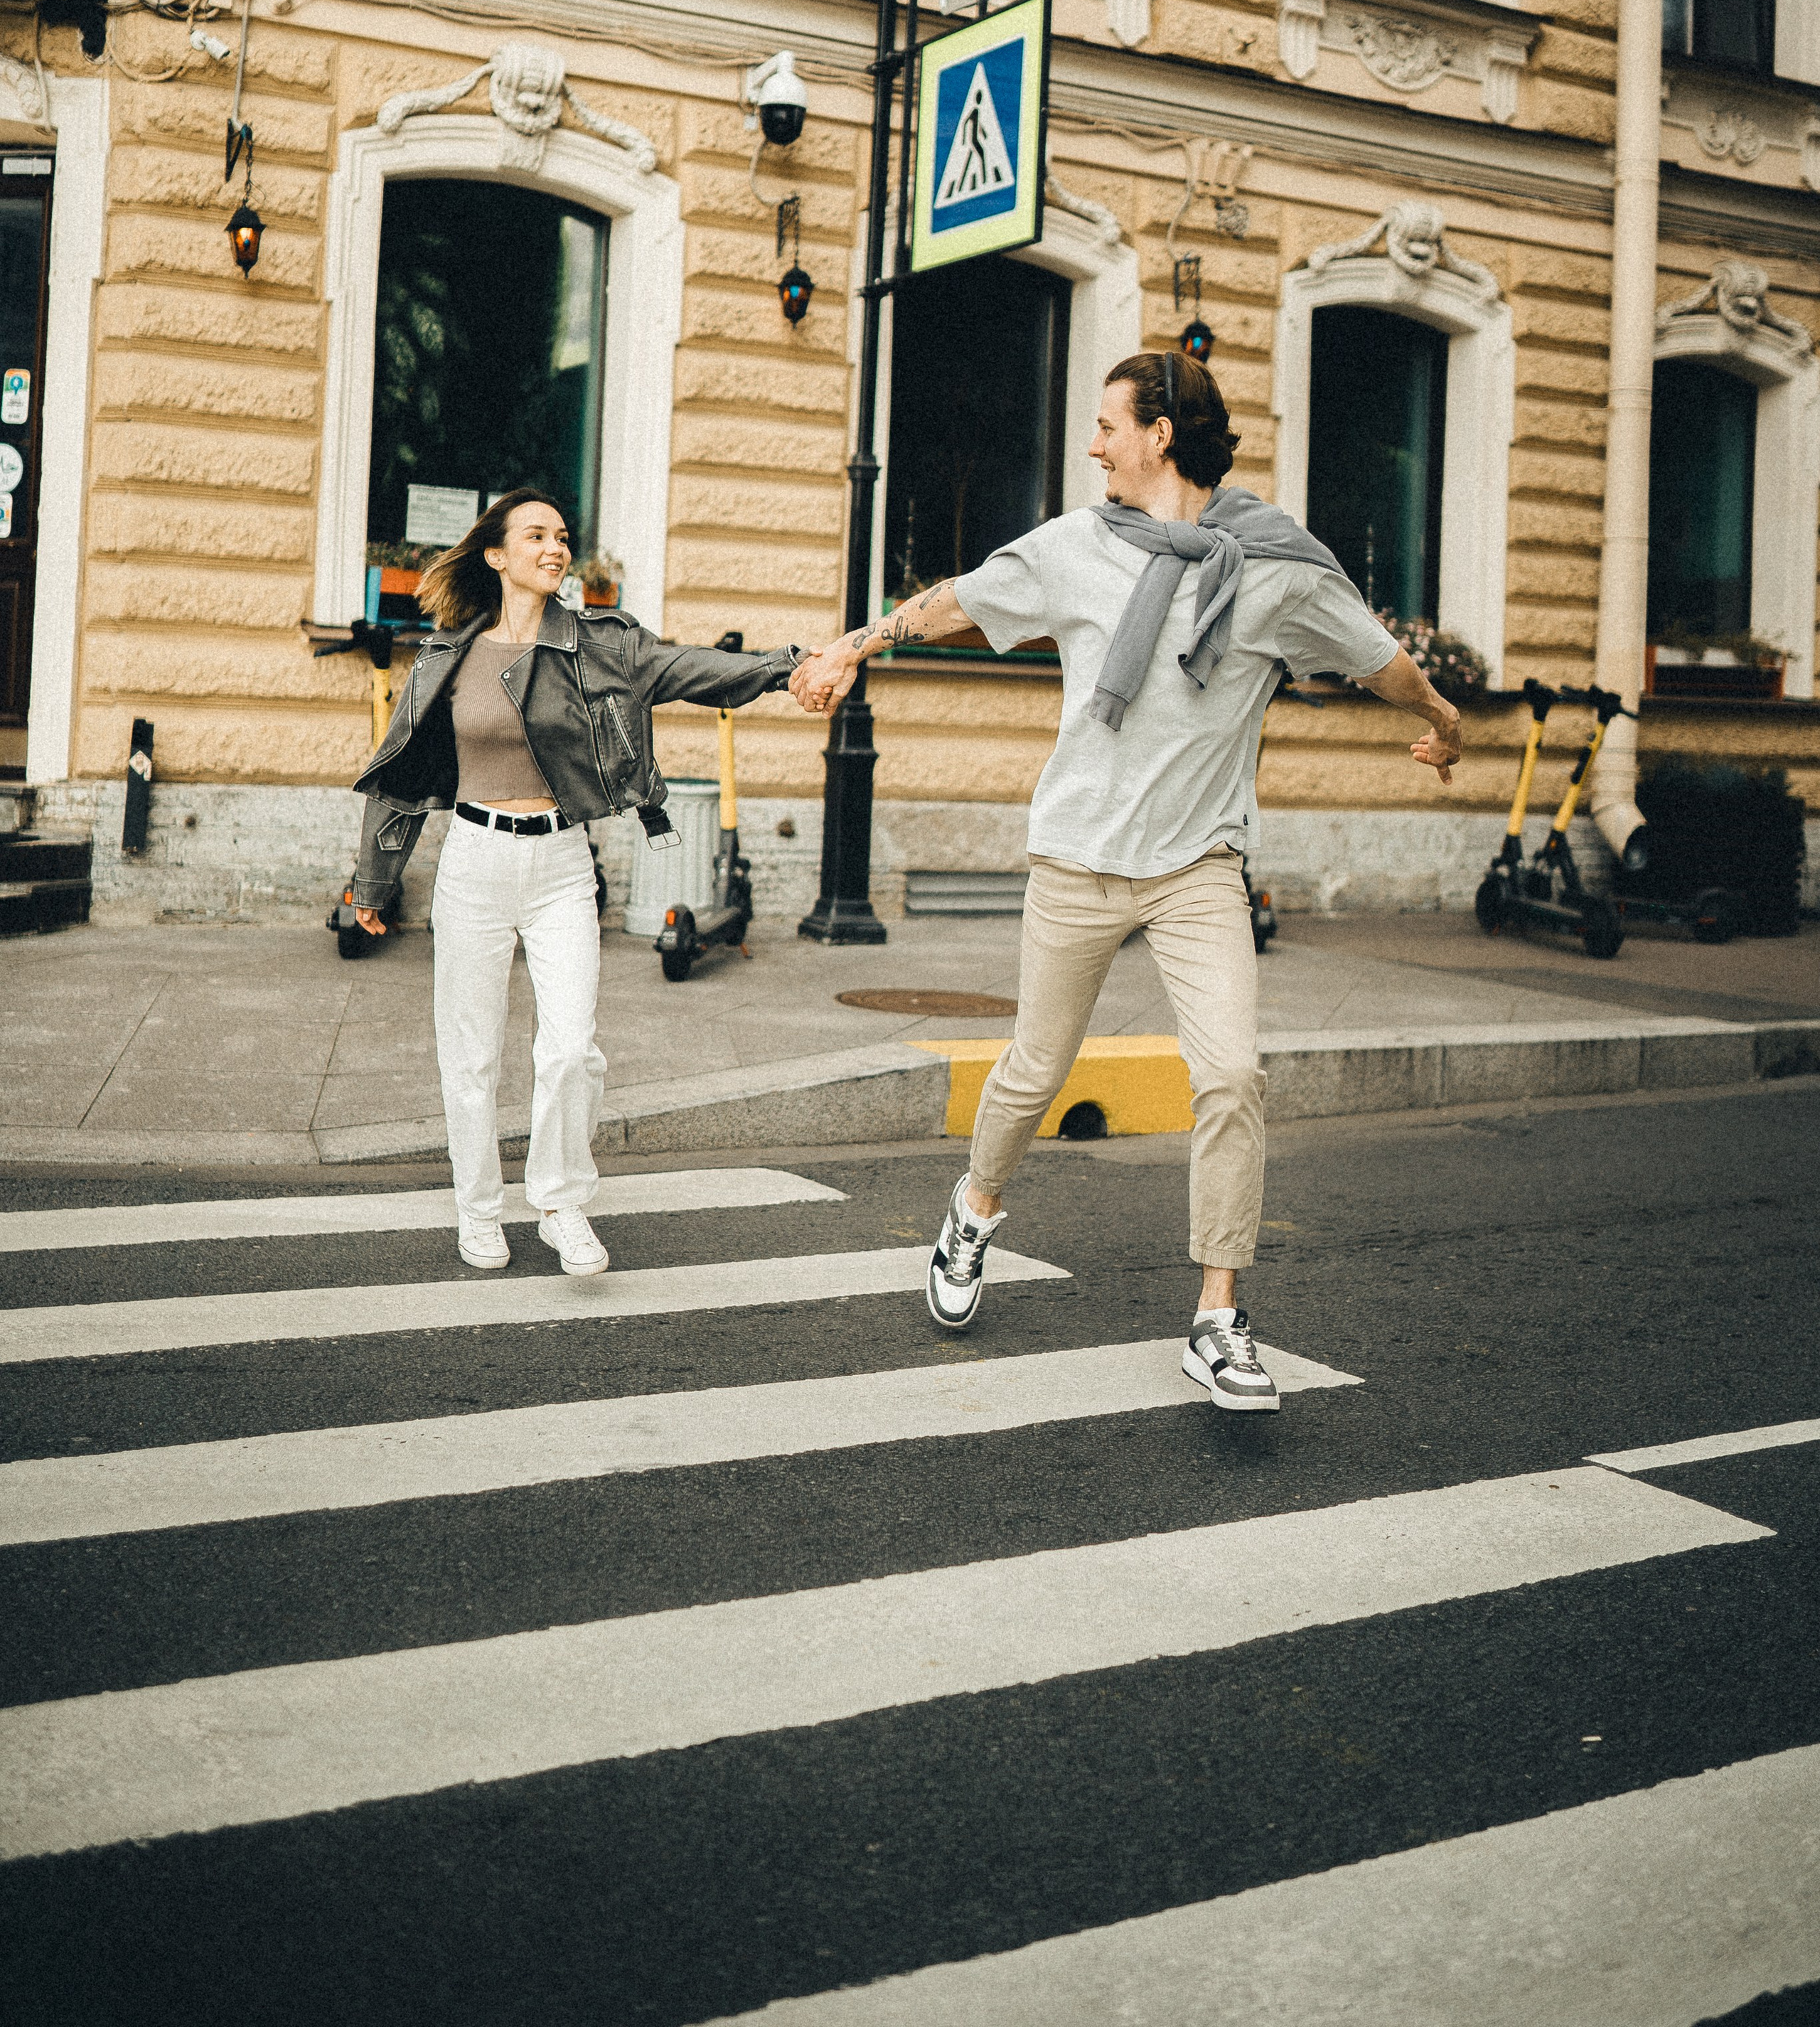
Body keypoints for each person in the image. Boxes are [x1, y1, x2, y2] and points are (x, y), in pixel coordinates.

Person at [791, 351, 1461, 1411]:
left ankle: (1218, 1317)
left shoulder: (1277, 568)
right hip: (1079, 862)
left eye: (1108, 425)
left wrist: (1442, 720)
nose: (1093, 444)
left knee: (1232, 1075)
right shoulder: (1076, 547)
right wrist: (850, 648)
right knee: (1032, 1069)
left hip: (1199, 870)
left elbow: (1379, 658)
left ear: (1161, 435)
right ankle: (975, 1207)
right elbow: (955, 602)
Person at [350, 489, 801, 1275]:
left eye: (563, 537)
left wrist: (786, 669)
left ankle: (560, 1202)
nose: (556, 548)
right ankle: (478, 1209)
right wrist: (373, 884)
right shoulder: (447, 655)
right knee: (472, 1054)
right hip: (475, 863)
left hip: (562, 864)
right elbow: (397, 781)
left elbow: (694, 670)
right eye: (537, 536)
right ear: (495, 554)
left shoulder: (604, 646)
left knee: (569, 1051)